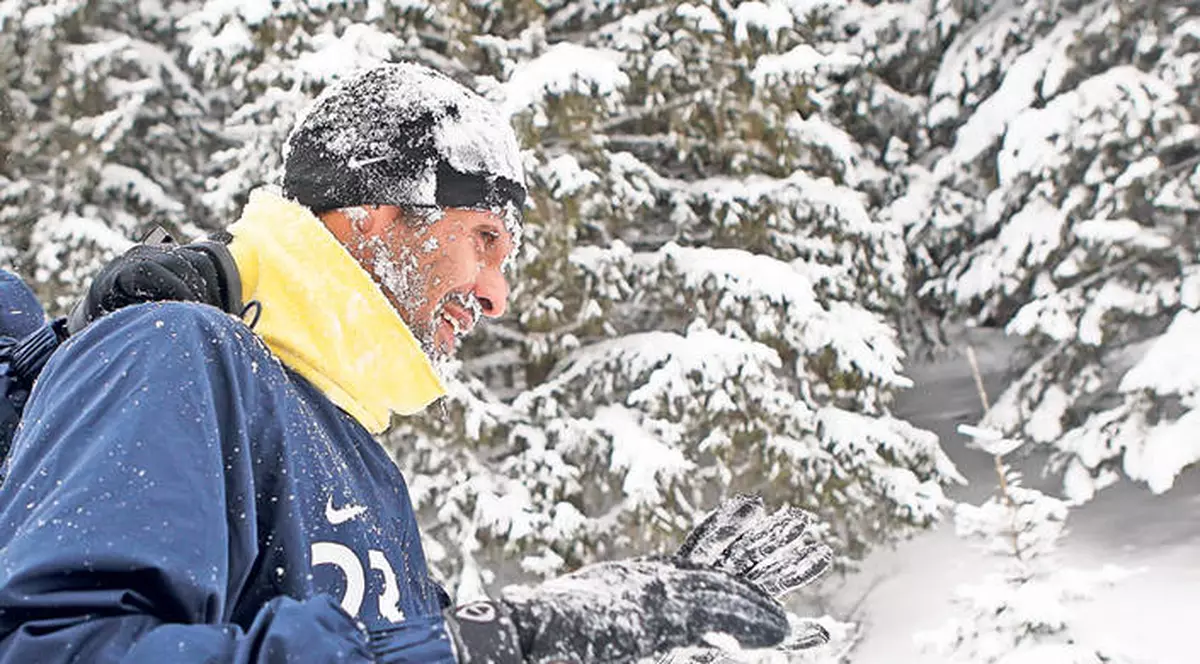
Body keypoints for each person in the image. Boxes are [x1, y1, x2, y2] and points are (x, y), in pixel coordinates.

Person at [0, 63, 831, 663]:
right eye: (485, 239)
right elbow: (61, 651)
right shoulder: (177, 353)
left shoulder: (363, 464)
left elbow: (412, 652)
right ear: (370, 215)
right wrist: (514, 635)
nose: (498, 293)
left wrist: (619, 619)